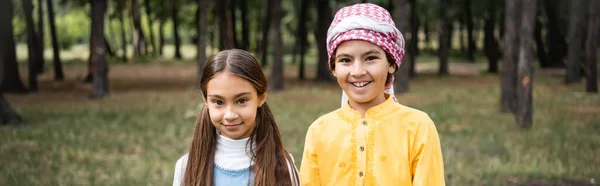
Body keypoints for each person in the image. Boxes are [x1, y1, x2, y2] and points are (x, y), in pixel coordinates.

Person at [300, 3, 445, 186]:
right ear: (333, 68)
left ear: (391, 63)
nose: (358, 71)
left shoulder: (418, 127)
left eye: (370, 58)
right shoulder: (319, 130)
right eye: (345, 60)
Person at [173, 49, 300, 186]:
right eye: (218, 102)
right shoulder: (186, 167)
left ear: (261, 97)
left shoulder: (283, 167)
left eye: (241, 101)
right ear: (205, 100)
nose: (230, 115)